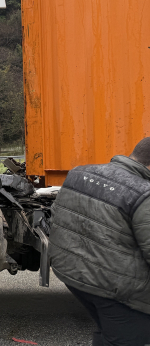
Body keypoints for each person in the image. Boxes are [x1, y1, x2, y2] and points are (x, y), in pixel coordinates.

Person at [50, 137, 150, 346]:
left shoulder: (78, 174)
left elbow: (58, 218)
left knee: (107, 330)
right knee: (125, 337)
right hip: (118, 290)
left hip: (74, 275)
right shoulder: (144, 194)